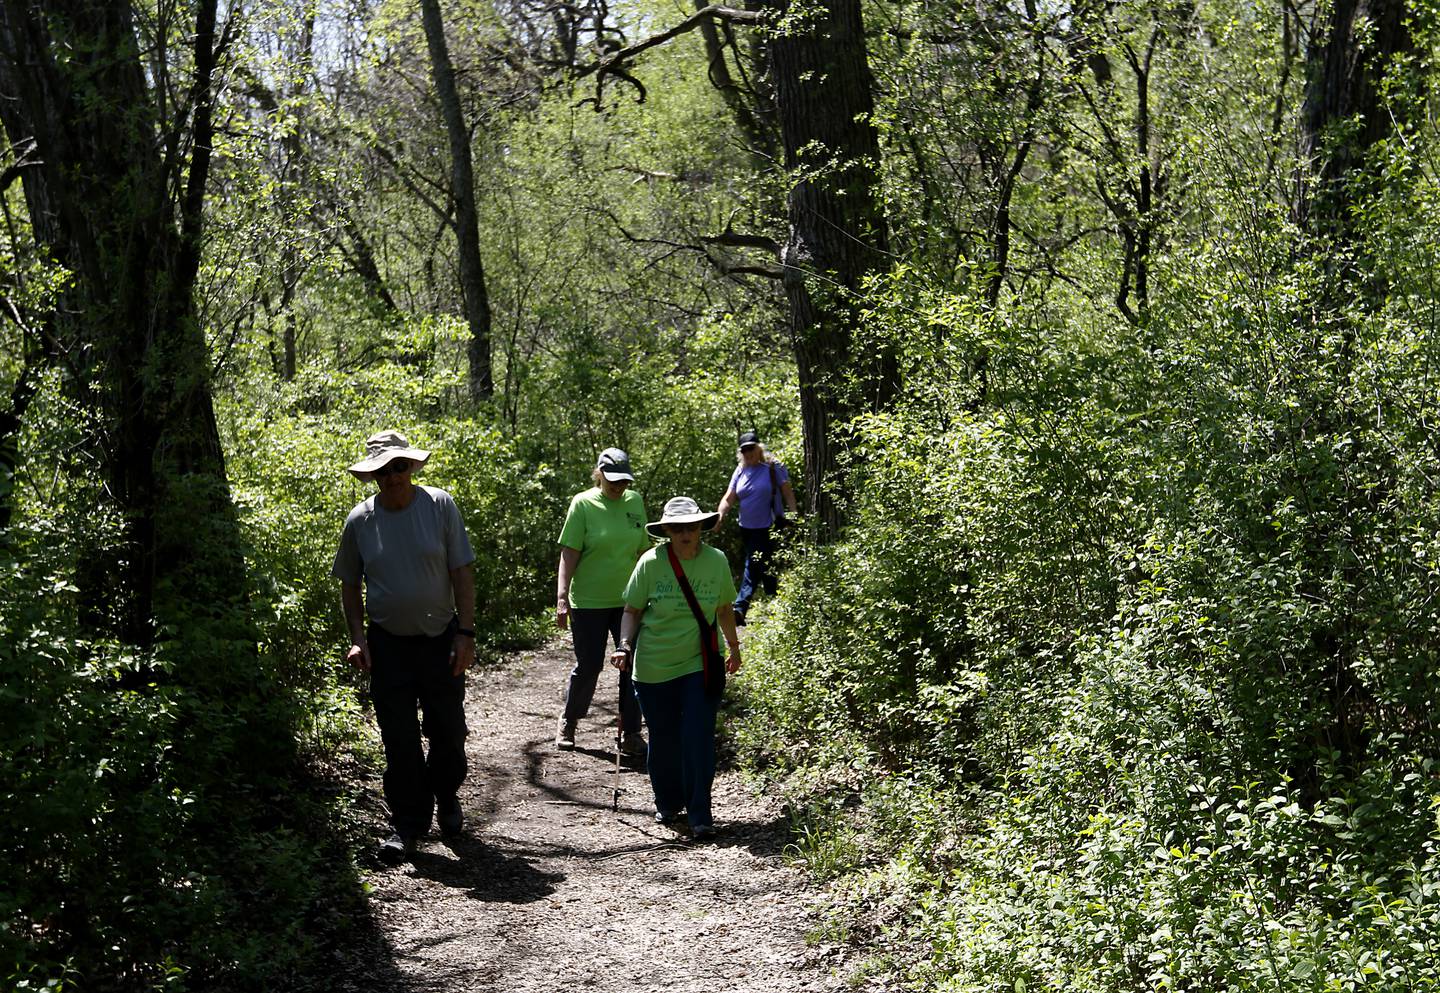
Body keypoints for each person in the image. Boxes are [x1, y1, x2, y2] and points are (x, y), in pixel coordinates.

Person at [332, 430, 476, 865]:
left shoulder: (439, 505)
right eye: (382, 470)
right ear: (373, 475)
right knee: (399, 739)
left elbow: (462, 571)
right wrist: (358, 640)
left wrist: (466, 633)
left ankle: (446, 794)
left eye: (398, 466)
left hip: (440, 639)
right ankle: (407, 824)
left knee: (447, 731)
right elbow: (349, 585)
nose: (391, 476)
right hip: (388, 644)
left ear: (410, 467)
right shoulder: (361, 520)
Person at [610, 496, 741, 841]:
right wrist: (624, 646)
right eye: (678, 528)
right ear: (666, 531)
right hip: (654, 666)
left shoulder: (716, 561)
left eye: (692, 527)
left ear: (701, 528)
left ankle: (700, 813)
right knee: (665, 740)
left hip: (700, 662)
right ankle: (667, 802)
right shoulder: (650, 563)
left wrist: (734, 647)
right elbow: (632, 610)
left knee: (697, 737)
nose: (686, 533)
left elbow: (725, 607)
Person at [555, 447, 651, 754]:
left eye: (623, 481)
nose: (618, 486)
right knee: (590, 664)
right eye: (613, 480)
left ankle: (630, 732)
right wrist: (561, 596)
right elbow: (570, 551)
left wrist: (649, 591)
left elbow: (642, 552)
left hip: (628, 600)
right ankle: (569, 719)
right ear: (599, 474)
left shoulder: (635, 502)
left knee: (630, 663)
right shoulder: (582, 504)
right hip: (588, 601)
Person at [714, 430, 798, 624]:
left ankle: (740, 608)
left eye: (751, 448)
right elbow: (729, 497)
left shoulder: (773, 466)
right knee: (765, 565)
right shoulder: (740, 470)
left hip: (769, 525)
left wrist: (794, 517)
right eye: (744, 450)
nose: (748, 453)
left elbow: (787, 492)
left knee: (752, 564)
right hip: (747, 527)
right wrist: (720, 515)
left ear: (759, 448)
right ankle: (776, 603)